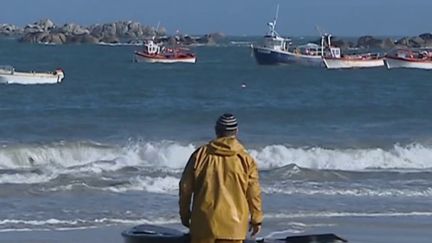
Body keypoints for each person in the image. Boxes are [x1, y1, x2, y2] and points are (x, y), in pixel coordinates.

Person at [179, 113, 263, 243]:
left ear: (216, 130)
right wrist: (256, 219)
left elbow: (185, 187)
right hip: (234, 228)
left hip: (203, 225)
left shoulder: (200, 155)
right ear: (236, 131)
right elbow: (253, 193)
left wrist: (185, 215)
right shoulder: (245, 159)